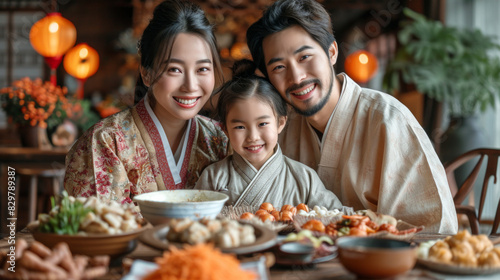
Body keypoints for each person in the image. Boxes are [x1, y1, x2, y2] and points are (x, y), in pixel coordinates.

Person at [246, 0, 457, 233]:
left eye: (304, 57)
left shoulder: (388, 120)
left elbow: (433, 230)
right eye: (278, 67)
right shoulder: (281, 128)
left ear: (332, 52)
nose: (296, 77)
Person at [64, 0, 228, 204]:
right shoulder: (105, 141)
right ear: (146, 73)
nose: (191, 85)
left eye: (202, 69)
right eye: (174, 69)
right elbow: (96, 227)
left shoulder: (220, 140)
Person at [194, 59, 343, 210]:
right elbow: (195, 221)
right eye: (240, 127)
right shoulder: (213, 177)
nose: (253, 137)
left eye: (262, 124)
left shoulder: (304, 178)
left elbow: (336, 216)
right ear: (225, 129)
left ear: (280, 123)